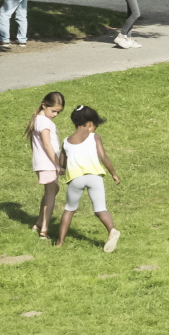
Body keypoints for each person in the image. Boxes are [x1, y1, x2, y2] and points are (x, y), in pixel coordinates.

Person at [56, 103, 119, 252]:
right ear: (90, 123)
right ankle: (111, 230)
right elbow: (103, 156)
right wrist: (114, 174)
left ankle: (59, 242)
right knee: (100, 209)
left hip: (76, 178)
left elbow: (62, 164)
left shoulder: (66, 142)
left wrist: (62, 170)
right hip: (94, 177)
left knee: (69, 209)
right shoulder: (94, 136)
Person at [27, 91, 67, 240]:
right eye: (53, 111)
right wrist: (57, 164)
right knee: (51, 193)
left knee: (53, 189)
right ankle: (44, 229)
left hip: (45, 163)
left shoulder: (39, 119)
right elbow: (46, 143)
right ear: (44, 105)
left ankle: (38, 224)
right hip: (48, 163)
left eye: (58, 112)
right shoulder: (44, 122)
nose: (55, 114)